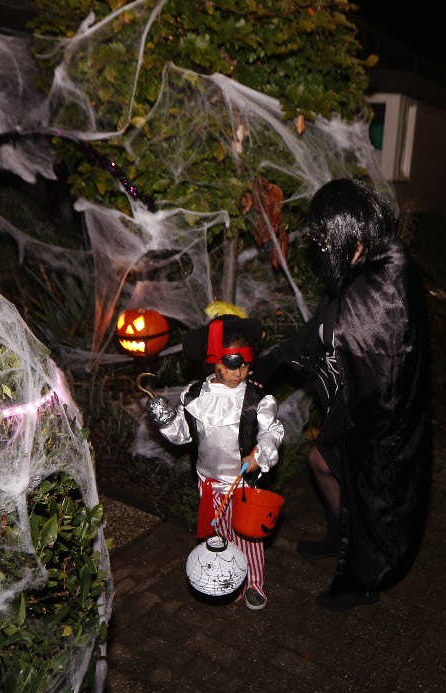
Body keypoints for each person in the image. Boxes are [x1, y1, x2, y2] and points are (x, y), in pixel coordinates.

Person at [252, 177, 431, 611]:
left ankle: (364, 578)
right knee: (321, 463)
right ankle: (338, 535)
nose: (319, 247)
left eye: (322, 238)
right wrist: (270, 364)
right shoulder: (356, 269)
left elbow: (380, 381)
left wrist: (339, 421)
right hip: (351, 410)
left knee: (371, 502)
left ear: (345, 230)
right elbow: (318, 332)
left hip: (376, 425)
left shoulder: (382, 287)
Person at [144, 310, 285, 610]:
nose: (239, 372)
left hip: (243, 484)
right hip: (208, 483)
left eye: (246, 363)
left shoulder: (256, 400)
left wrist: (260, 455)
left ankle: (254, 582)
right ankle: (227, 578)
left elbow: (272, 432)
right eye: (232, 364)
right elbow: (183, 435)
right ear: (214, 361)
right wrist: (166, 419)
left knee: (248, 537)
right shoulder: (195, 396)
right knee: (219, 537)